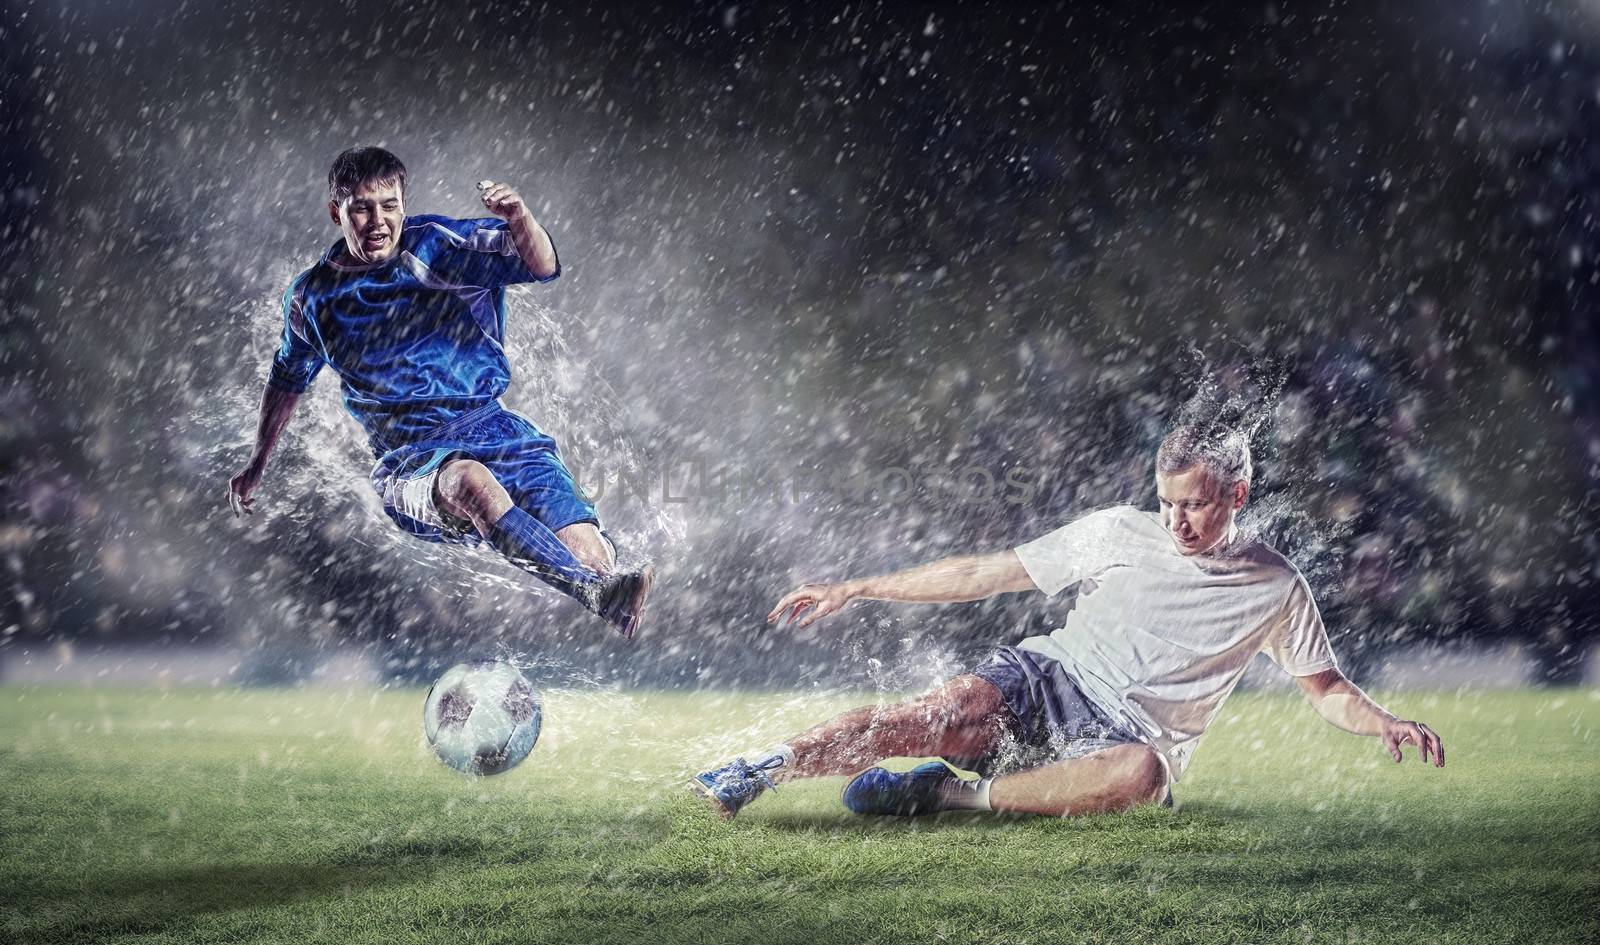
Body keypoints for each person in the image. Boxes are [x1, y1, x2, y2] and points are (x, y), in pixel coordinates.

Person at [691, 425, 1443, 818]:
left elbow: (1324, 684)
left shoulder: (1275, 584)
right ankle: (760, 769)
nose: (1178, 520)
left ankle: (944, 797)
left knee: (1145, 776)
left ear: (1238, 493)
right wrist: (858, 586)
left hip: (1121, 737)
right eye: (1168, 501)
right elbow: (987, 572)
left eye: (1198, 503)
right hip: (1050, 677)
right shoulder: (1119, 530)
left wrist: (1384, 722)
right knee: (938, 713)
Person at [227, 147, 651, 637]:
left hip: (497, 429)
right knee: (469, 482)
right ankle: (595, 592)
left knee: (588, 547)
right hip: (410, 460)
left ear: (403, 205)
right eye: (362, 207)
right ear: (335, 212)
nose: (378, 221)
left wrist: (520, 216)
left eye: (389, 205)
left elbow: (541, 264)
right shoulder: (311, 298)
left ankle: (602, 593)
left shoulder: (443, 246)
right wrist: (257, 463)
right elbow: (287, 379)